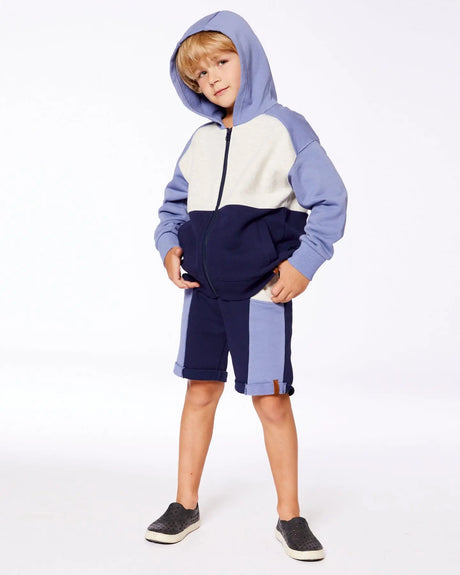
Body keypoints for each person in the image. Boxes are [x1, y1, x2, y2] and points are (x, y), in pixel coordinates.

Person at [145, 10, 347, 561]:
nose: (211, 78)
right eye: (199, 74)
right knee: (199, 392)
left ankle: (290, 515)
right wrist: (169, 247)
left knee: (271, 400)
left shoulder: (285, 128)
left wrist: (304, 263)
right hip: (202, 294)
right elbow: (172, 207)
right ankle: (185, 504)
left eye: (221, 61)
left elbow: (331, 201)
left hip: (261, 292)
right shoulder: (201, 140)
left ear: (247, 57)